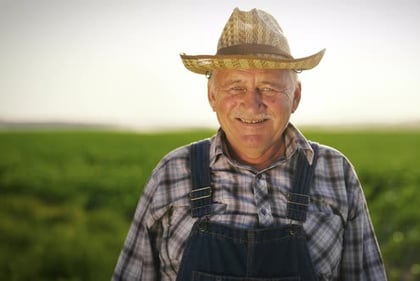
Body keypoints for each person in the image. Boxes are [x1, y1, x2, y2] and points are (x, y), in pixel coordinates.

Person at [112, 7, 387, 281]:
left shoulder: (336, 171)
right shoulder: (172, 173)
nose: (252, 104)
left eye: (269, 88)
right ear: (212, 96)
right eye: (236, 87)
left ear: (296, 97)